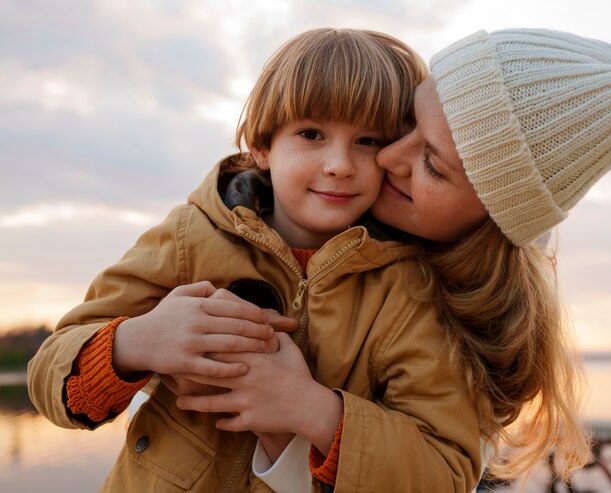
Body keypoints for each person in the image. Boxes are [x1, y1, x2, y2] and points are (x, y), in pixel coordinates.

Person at [172, 27, 611, 490]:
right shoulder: (243, 220)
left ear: (491, 221)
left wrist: (310, 413)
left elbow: (437, 471)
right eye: (403, 124)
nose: (387, 157)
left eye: (431, 162)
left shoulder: (462, 332)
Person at [29, 28, 487, 492]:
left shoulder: (408, 289)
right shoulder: (191, 236)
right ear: (263, 146)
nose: (340, 164)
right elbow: (50, 371)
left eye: (368, 140)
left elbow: (445, 473)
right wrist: (137, 341)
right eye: (312, 133)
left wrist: (311, 408)